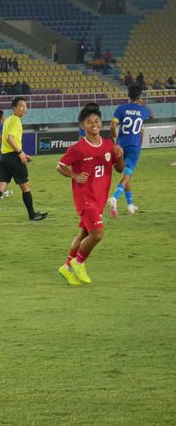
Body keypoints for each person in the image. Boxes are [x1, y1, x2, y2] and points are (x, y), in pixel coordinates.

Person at [56, 104, 124, 285]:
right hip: (85, 197)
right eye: (89, 122)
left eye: (96, 121)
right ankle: (78, 262)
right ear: (82, 126)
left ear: (100, 123)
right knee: (98, 233)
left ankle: (66, 267)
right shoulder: (78, 148)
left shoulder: (109, 145)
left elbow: (120, 169)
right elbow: (60, 166)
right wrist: (74, 175)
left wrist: (120, 155)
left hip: (100, 198)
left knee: (84, 233)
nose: (94, 124)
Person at [0, 97, 48, 224]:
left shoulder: (7, 120)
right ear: (14, 108)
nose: (24, 109)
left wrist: (23, 153)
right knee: (25, 186)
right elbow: (10, 138)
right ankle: (32, 215)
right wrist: (20, 152)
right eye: (21, 106)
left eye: (25, 106)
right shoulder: (16, 120)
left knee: (1, 187)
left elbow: (2, 138)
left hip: (4, 158)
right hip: (14, 158)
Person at [107, 85, 152, 216]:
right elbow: (151, 114)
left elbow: (113, 124)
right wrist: (143, 103)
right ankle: (114, 197)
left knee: (127, 175)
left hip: (121, 145)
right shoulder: (143, 111)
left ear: (128, 95)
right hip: (134, 146)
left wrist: (113, 134)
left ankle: (130, 205)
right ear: (139, 97)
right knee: (127, 175)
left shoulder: (121, 109)